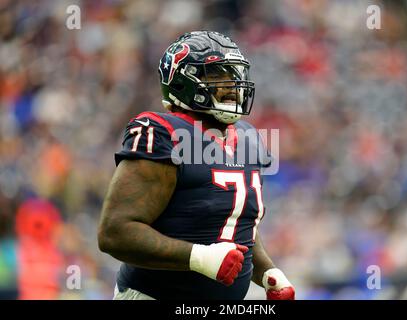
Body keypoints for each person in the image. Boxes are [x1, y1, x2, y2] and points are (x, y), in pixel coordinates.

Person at [97, 31, 295, 300]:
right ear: (181, 80)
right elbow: (115, 233)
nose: (231, 84)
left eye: (233, 74)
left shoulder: (248, 137)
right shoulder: (163, 132)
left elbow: (235, 225)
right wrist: (197, 257)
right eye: (217, 75)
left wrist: (267, 272)